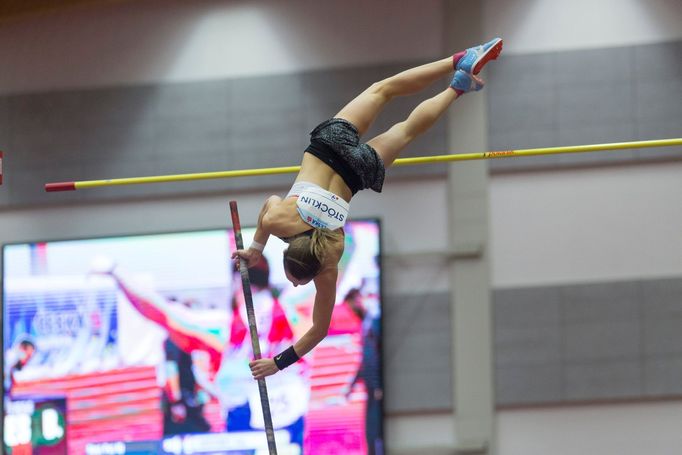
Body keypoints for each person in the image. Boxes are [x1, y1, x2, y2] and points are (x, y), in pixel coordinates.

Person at [233, 38, 504, 379]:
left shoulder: (329, 259)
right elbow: (268, 206)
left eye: (299, 282)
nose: (300, 287)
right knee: (383, 90)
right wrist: (256, 249)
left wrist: (279, 363)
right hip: (329, 146)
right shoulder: (278, 220)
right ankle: (460, 59)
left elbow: (319, 329)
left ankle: (457, 89)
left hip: (356, 171)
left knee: (405, 131)